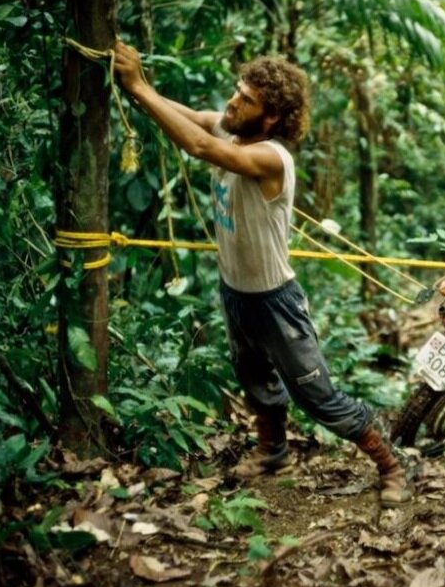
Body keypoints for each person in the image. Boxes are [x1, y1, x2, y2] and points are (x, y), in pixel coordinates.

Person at [112, 41, 411, 507]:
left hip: (276, 299)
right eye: (237, 91)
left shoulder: (272, 157)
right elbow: (192, 116)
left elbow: (196, 144)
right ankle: (273, 451)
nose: (233, 102)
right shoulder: (231, 129)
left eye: (246, 100)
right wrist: (138, 89)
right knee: (253, 377)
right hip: (237, 291)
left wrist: (136, 84)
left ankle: (392, 465)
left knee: (317, 396)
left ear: (270, 118)